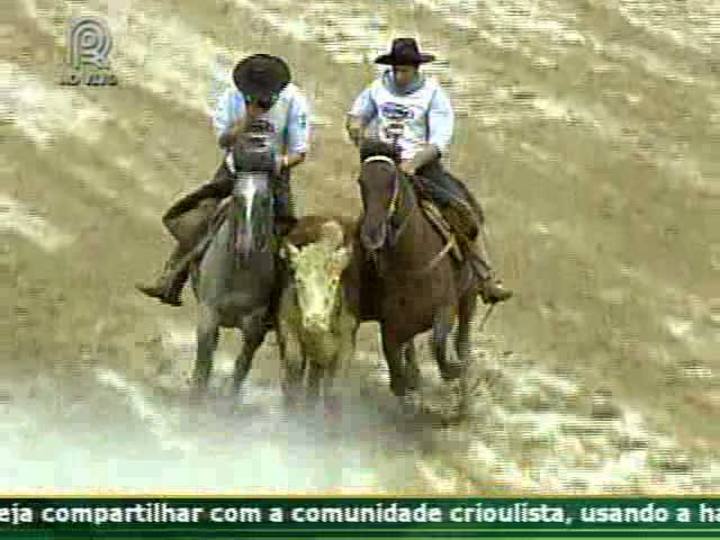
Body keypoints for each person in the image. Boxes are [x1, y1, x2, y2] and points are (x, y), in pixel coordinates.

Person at [345, 38, 512, 304]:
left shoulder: (434, 95)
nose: (399, 75)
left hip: (422, 167)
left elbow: (438, 141)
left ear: (416, 69)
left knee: (464, 211)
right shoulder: (377, 88)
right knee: (369, 215)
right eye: (396, 69)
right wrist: (356, 129)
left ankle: (484, 276)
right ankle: (353, 284)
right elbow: (356, 115)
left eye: (405, 70)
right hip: (386, 164)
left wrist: (412, 165)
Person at [136, 53, 310, 306]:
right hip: (235, 167)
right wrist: (247, 120)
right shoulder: (231, 97)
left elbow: (299, 152)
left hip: (273, 171)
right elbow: (223, 140)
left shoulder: (294, 101)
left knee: (286, 225)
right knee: (202, 214)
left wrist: (278, 163)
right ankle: (171, 278)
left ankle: (285, 300)